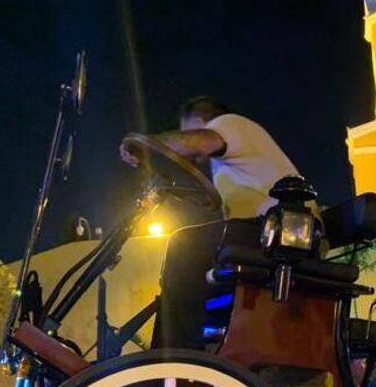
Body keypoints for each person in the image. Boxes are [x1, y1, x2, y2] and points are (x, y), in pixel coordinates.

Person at [120, 96, 301, 350]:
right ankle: (198, 346)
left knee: (184, 244)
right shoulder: (231, 161)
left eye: (188, 129)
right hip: (273, 235)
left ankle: (177, 352)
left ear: (202, 120)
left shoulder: (229, 123)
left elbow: (197, 143)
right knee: (200, 259)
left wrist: (145, 145)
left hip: (279, 234)